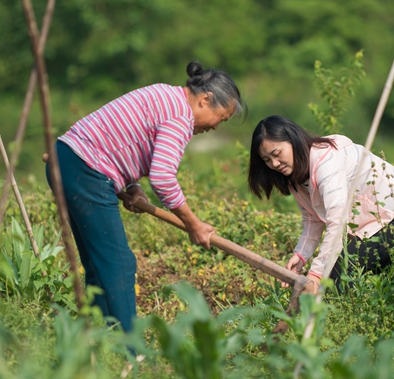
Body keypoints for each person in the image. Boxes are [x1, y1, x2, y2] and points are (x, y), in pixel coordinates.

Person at [45, 61, 246, 332]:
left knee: (98, 263)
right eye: (221, 118)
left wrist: (132, 185)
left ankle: (104, 340)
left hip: (68, 160)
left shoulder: (166, 94)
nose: (215, 127)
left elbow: (126, 138)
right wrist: (193, 224)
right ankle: (130, 350)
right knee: (118, 264)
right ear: (205, 100)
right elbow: (163, 178)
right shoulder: (180, 117)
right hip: (86, 171)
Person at [247, 115, 394, 294]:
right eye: (267, 160)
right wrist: (301, 256)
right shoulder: (296, 176)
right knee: (340, 273)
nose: (274, 164)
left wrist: (316, 274)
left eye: (277, 154)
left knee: (339, 273)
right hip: (372, 223)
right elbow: (312, 219)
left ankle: (339, 319)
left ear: (293, 140)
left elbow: (337, 222)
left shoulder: (326, 162)